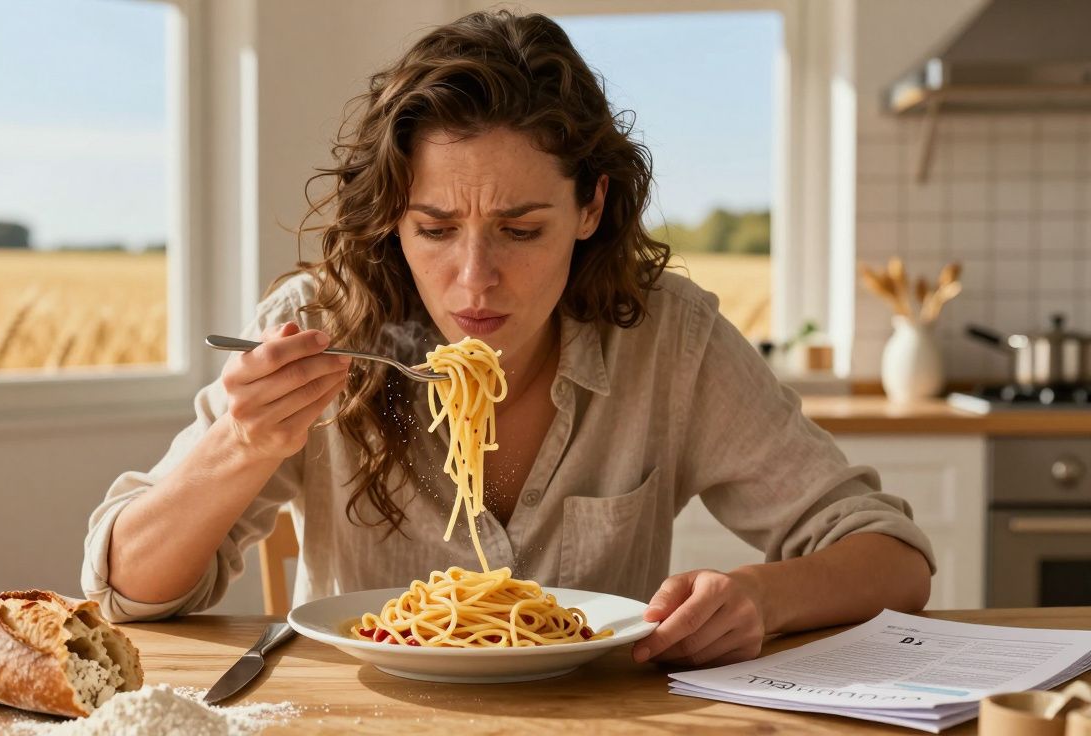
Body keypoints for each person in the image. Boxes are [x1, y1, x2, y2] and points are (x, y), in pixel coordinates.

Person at [83, 9, 932, 668]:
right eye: (435, 229)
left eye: (521, 231)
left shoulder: (668, 338)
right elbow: (124, 592)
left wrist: (762, 597)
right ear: (393, 218)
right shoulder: (320, 323)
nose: (474, 280)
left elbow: (894, 557)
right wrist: (238, 444)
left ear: (590, 207)